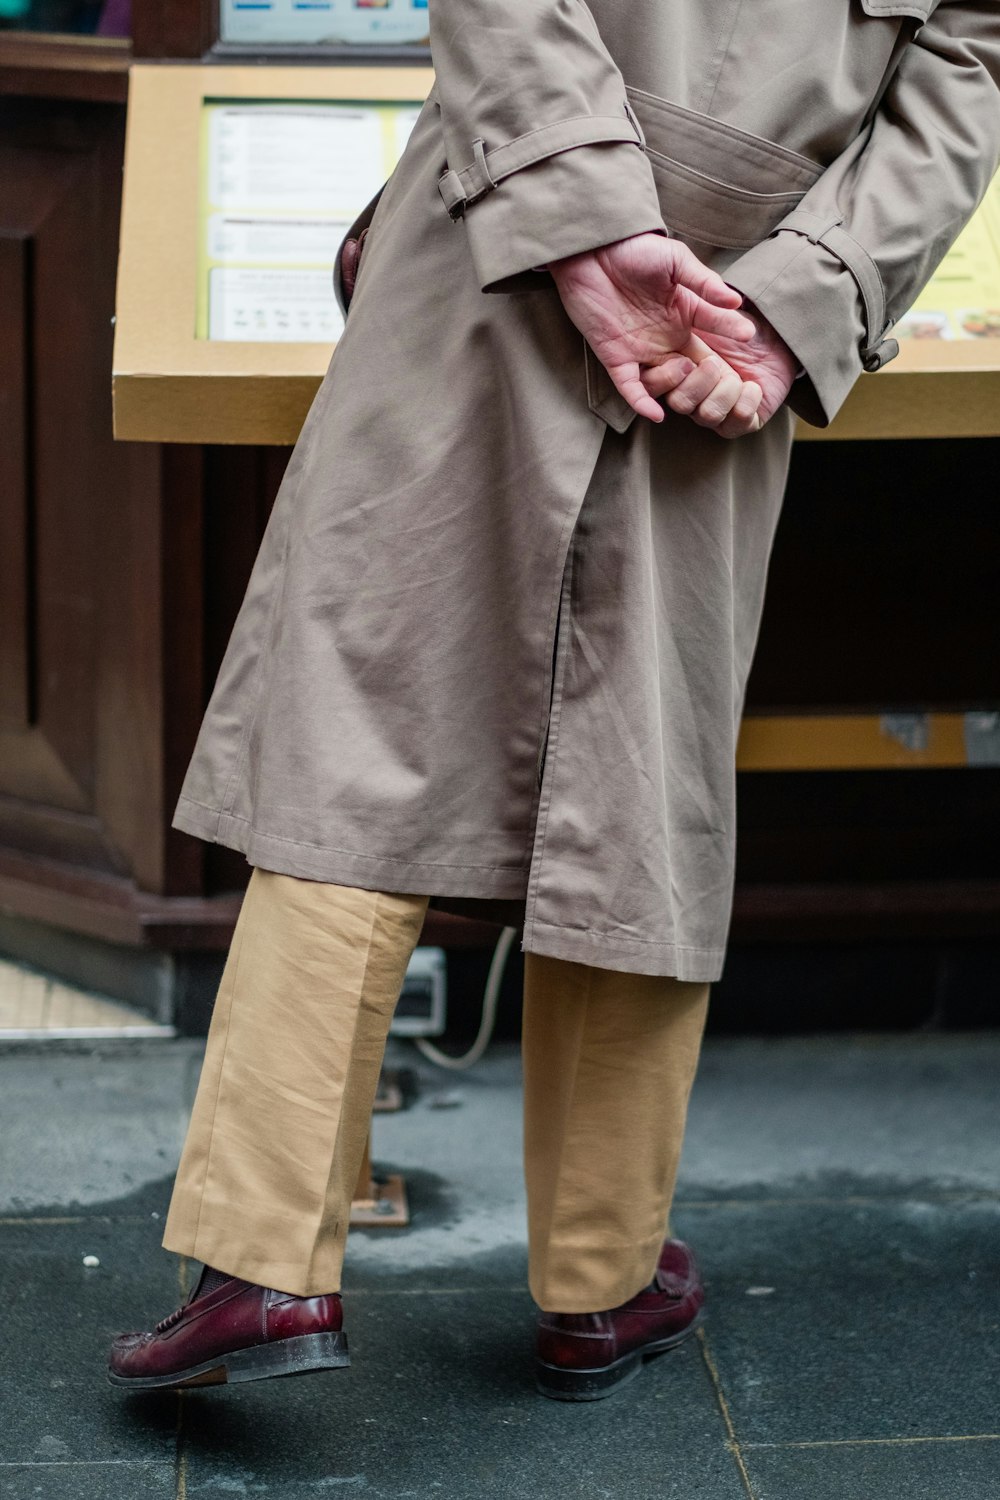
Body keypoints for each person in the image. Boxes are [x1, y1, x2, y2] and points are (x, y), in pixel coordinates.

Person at [109, 0, 1000, 1401]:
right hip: (721, 287)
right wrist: (799, 293)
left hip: (518, 222)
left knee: (360, 720)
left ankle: (262, 1264)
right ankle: (601, 1279)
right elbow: (965, 64)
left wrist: (597, 221)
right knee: (640, 766)